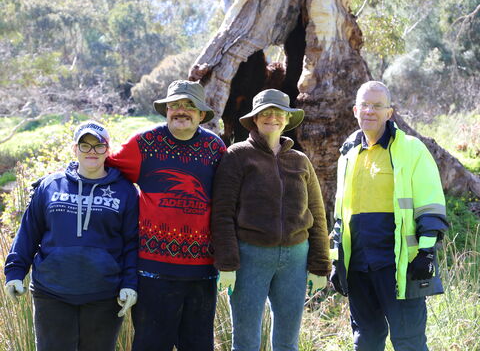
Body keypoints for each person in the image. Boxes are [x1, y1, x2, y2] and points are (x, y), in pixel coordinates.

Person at [106, 80, 226, 351]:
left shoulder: (215, 148)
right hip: (152, 272)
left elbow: (229, 196)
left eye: (189, 106)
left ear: (202, 114)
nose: (181, 111)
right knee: (150, 345)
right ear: (166, 109)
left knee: (198, 346)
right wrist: (64, 177)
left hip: (202, 272)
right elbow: (103, 165)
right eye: (175, 105)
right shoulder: (144, 143)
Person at [330, 81, 448, 351]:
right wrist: (338, 260)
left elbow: (430, 204)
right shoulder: (348, 154)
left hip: (400, 266)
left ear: (389, 112)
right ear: (355, 110)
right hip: (359, 266)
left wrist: (426, 252)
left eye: (377, 106)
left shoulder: (412, 149)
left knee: (408, 341)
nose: (370, 111)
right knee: (366, 341)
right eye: (365, 106)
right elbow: (340, 215)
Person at [211, 89, 331, 351]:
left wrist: (321, 265)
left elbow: (317, 214)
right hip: (250, 258)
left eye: (279, 113)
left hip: (295, 260)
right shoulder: (237, 156)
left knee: (288, 343)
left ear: (287, 120)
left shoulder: (299, 160)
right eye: (265, 113)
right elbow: (222, 213)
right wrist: (227, 263)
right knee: (246, 342)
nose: (272, 118)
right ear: (254, 119)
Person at [4, 120, 139, 351]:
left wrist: (130, 283)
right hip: (52, 292)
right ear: (75, 149)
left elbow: (132, 243)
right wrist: (15, 271)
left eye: (99, 146)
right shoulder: (50, 186)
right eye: (85, 145)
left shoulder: (125, 191)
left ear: (108, 150)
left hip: (104, 293)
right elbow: (29, 231)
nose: (92, 152)